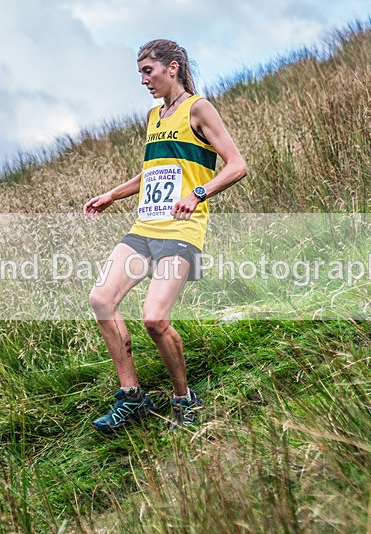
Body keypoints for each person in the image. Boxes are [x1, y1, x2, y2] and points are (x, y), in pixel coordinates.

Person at [83, 39, 247, 432]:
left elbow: (237, 165)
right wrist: (112, 194)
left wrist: (199, 192)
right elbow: (154, 171)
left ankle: (183, 398)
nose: (143, 80)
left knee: (155, 319)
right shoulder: (154, 116)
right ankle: (132, 398)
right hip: (144, 228)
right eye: (140, 72)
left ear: (172, 68)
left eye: (148, 71)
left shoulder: (199, 109)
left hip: (182, 230)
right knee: (101, 299)